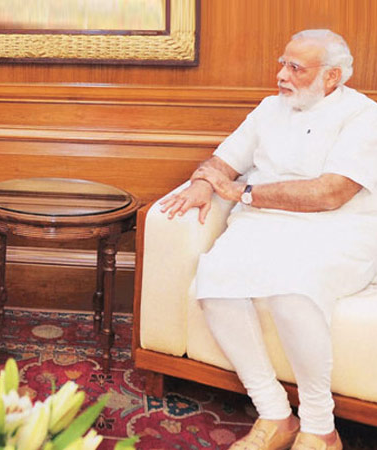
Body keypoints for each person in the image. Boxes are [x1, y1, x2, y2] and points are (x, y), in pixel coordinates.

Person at [160, 29, 377, 450]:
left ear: (332, 77)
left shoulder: (364, 117)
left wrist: (244, 193)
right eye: (282, 63)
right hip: (263, 225)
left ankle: (320, 427)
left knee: (291, 290)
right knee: (215, 278)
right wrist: (205, 182)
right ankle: (274, 414)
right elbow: (222, 160)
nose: (282, 75)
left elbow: (331, 192)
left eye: (296, 68)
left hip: (336, 230)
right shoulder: (268, 109)